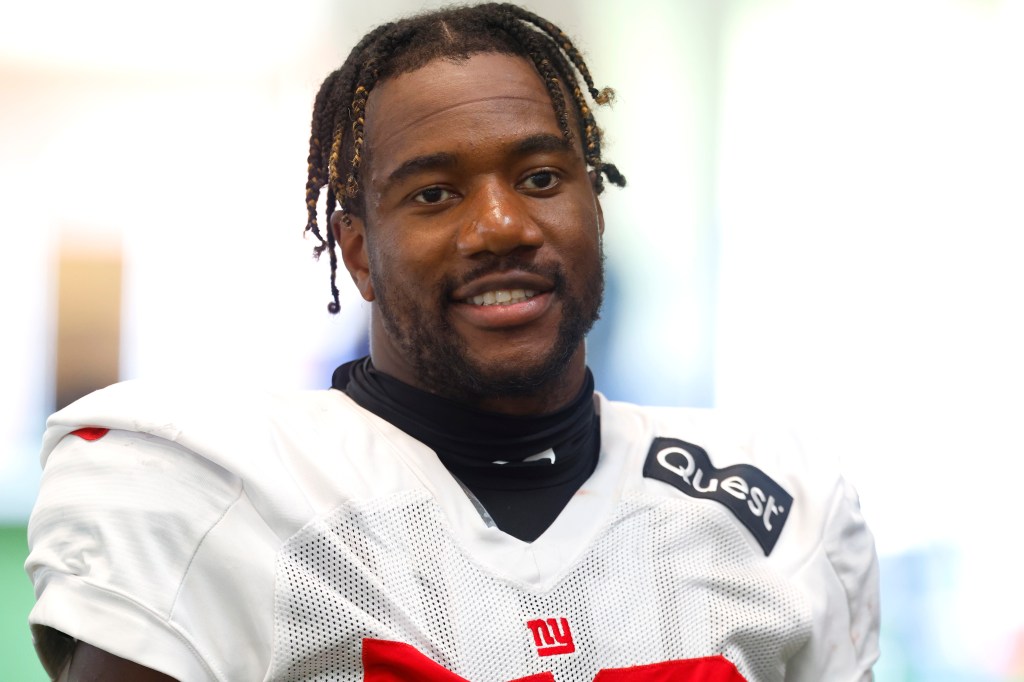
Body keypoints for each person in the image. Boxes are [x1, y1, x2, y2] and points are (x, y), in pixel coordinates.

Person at [25, 3, 879, 680]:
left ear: (595, 205)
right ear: (358, 252)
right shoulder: (209, 495)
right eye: (435, 194)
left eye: (541, 178)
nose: (502, 225)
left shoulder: (772, 510)